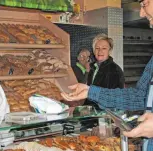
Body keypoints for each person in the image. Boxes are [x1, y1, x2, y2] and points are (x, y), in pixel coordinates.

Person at [61, 0, 153, 149]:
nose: (141, 13)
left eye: (144, 3)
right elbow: (140, 97)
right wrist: (90, 92)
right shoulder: (93, 69)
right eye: (97, 48)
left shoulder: (114, 70)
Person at [84, 34, 124, 109]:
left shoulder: (114, 70)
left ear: (110, 51)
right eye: (97, 48)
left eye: (104, 48)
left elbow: (112, 98)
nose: (100, 51)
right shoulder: (93, 67)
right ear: (93, 50)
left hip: (106, 114)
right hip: (93, 112)